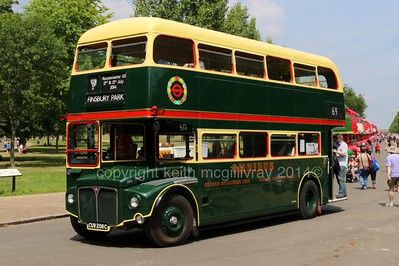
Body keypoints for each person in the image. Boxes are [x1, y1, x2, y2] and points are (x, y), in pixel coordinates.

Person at [333, 134, 348, 198]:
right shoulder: (337, 145)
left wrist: (336, 151)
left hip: (342, 164)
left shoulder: (344, 145)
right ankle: (344, 193)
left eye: (337, 138)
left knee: (340, 179)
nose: (336, 140)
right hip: (337, 164)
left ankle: (341, 193)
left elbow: (344, 154)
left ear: (340, 138)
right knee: (339, 179)